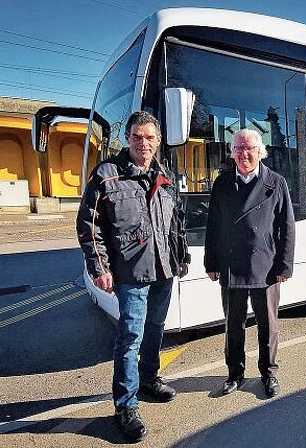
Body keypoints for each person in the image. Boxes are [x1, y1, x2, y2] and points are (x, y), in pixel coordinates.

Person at [76, 111, 190, 441]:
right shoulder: (107, 175)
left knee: (156, 329)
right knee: (130, 338)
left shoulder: (164, 174)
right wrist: (100, 268)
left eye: (150, 137)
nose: (144, 143)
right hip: (130, 273)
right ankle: (125, 405)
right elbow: (88, 225)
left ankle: (150, 380)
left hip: (163, 269)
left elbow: (176, 221)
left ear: (157, 141)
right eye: (137, 137)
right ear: (128, 138)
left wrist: (182, 256)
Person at [205, 128, 295, 398]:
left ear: (260, 151)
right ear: (232, 152)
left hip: (265, 266)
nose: (243, 154)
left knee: (268, 325)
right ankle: (235, 374)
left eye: (249, 149)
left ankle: (269, 373)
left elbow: (287, 227)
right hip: (232, 266)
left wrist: (284, 265)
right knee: (233, 324)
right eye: (238, 149)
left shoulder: (276, 183)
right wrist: (212, 262)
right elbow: (213, 226)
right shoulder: (221, 183)